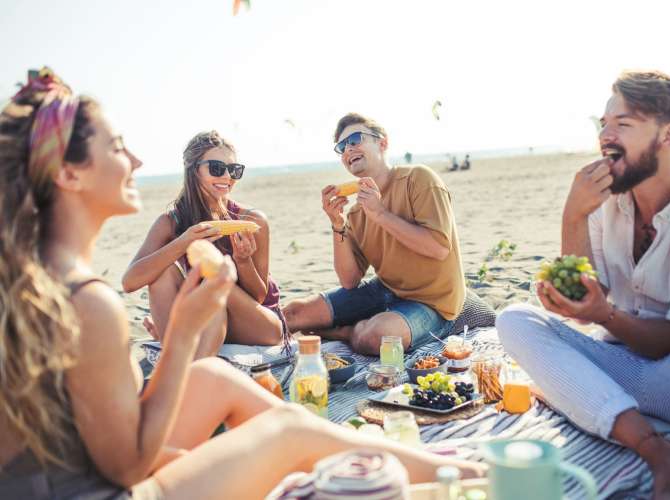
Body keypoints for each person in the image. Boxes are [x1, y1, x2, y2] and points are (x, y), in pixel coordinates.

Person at [0, 68, 484, 500]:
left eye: (234, 169)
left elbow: (96, 445)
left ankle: (455, 471)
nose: (137, 160)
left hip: (65, 472)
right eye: (116, 146)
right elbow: (126, 466)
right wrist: (185, 332)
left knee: (216, 378)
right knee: (288, 433)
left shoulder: (35, 276)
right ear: (67, 173)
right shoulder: (89, 302)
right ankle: (473, 477)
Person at [495, 70, 670, 499]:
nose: (606, 136)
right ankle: (659, 454)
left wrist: (604, 314)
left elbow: (667, 343)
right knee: (514, 319)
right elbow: (578, 296)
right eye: (604, 123)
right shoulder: (603, 196)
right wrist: (573, 216)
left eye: (623, 124)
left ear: (668, 134)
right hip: (613, 366)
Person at [282, 113, 466, 355]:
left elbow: (438, 248)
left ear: (383, 143)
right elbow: (349, 280)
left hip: (434, 303)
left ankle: (345, 332)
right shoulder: (357, 212)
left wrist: (380, 214)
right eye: (341, 147)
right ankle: (354, 325)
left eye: (355, 139)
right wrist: (337, 224)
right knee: (292, 314)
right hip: (386, 290)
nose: (348, 150)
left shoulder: (419, 179)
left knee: (376, 337)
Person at [122, 130, 286, 358]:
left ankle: (182, 355)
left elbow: (258, 296)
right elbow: (130, 281)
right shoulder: (171, 223)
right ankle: (183, 356)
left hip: (259, 325)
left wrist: (243, 260)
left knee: (214, 286)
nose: (227, 177)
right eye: (217, 168)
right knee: (162, 271)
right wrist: (184, 241)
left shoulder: (252, 220)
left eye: (234, 170)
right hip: (206, 320)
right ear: (193, 170)